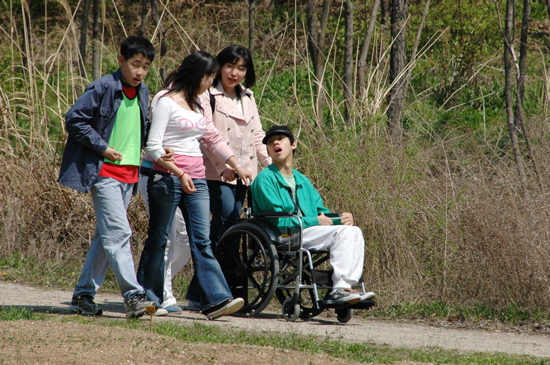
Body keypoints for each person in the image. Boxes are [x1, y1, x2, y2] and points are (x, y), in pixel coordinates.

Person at [137, 51, 252, 320]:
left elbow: (212, 138)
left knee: (201, 240)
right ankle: (148, 298)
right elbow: (153, 146)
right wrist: (179, 173)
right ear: (198, 76)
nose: (212, 83)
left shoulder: (200, 104)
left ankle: (215, 300)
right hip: (166, 177)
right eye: (210, 77)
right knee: (159, 238)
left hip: (197, 178)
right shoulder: (166, 101)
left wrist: (235, 164)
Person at [58, 35, 159, 319]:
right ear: (121, 61)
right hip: (104, 173)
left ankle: (83, 295)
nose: (139, 72)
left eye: (145, 66)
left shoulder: (143, 92)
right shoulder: (103, 87)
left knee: (106, 237)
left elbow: (144, 127)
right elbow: (74, 119)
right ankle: (134, 296)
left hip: (129, 175)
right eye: (135, 64)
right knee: (119, 233)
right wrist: (103, 148)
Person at [251, 125, 376, 305]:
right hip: (284, 234)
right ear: (269, 151)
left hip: (305, 230)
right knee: (344, 233)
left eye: (280, 139)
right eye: (270, 141)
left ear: (293, 145)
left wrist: (339, 218)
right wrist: (314, 221)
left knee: (353, 230)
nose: (275, 142)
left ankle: (345, 287)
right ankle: (340, 289)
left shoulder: (302, 180)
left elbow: (320, 211)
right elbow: (277, 220)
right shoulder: (265, 179)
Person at [185, 45, 271, 307]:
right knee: (225, 228)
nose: (235, 73)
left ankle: (206, 293)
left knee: (230, 230)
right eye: (230, 66)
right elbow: (207, 138)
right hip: (216, 172)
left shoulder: (248, 97)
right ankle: (211, 294)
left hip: (245, 173)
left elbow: (257, 135)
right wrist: (225, 166)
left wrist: (271, 167)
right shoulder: (208, 95)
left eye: (241, 68)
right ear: (219, 67)